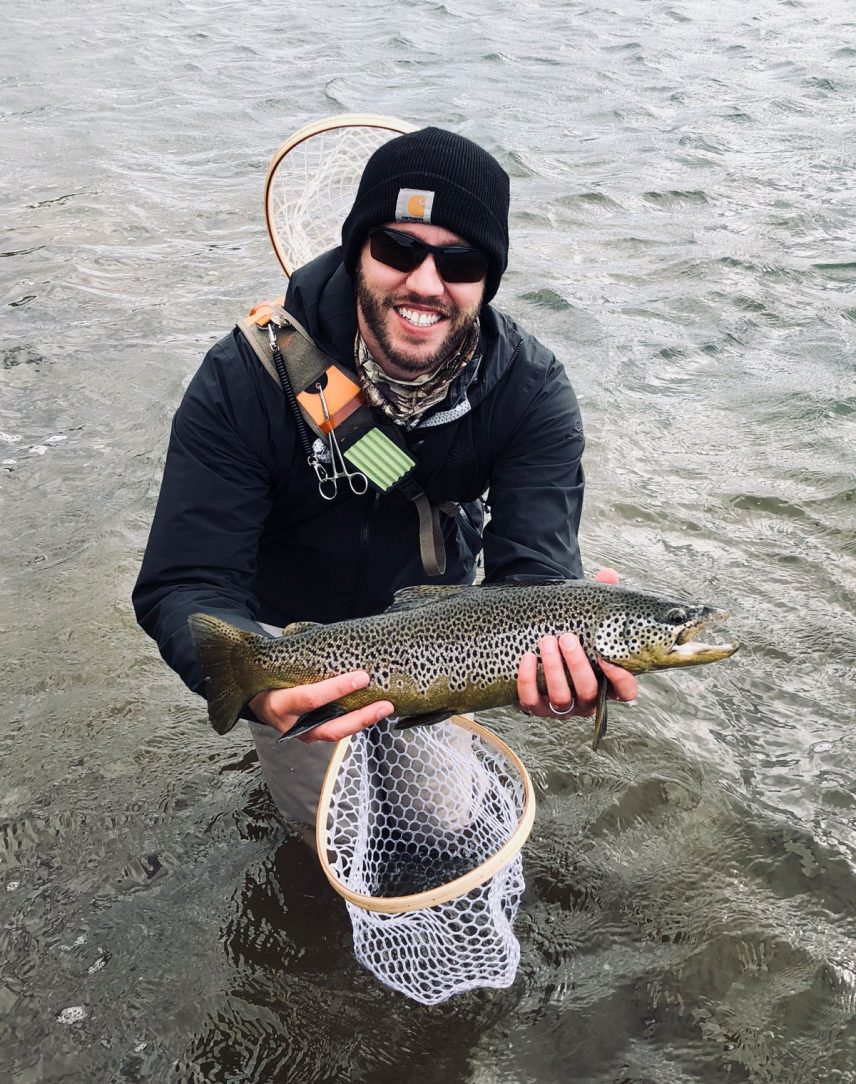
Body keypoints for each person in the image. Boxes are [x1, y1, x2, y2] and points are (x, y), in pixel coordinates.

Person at [133, 126, 637, 826]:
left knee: (441, 823)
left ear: (489, 280)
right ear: (355, 252)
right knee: (325, 835)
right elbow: (184, 582)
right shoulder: (245, 378)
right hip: (291, 640)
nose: (425, 284)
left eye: (459, 263)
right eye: (398, 249)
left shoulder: (531, 391)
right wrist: (257, 691)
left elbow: (533, 582)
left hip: (440, 641)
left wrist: (559, 654)